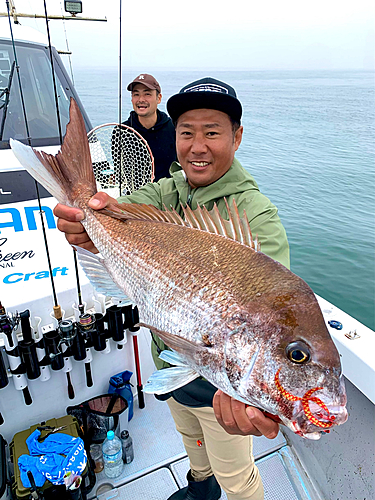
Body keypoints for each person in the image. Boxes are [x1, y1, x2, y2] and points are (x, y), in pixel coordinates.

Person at [54, 77, 290, 500]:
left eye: (212, 132)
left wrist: (259, 397)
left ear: (237, 137)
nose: (197, 146)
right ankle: (200, 489)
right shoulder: (169, 190)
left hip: (219, 387)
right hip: (170, 361)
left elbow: (273, 326)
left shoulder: (258, 219)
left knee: (236, 477)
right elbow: (116, 214)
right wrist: (87, 218)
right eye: (186, 133)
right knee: (191, 444)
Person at [123, 73, 176, 181]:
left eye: (147, 94)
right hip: (135, 195)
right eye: (136, 94)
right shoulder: (122, 131)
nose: (141, 99)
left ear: (159, 98)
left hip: (169, 194)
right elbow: (123, 172)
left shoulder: (174, 128)